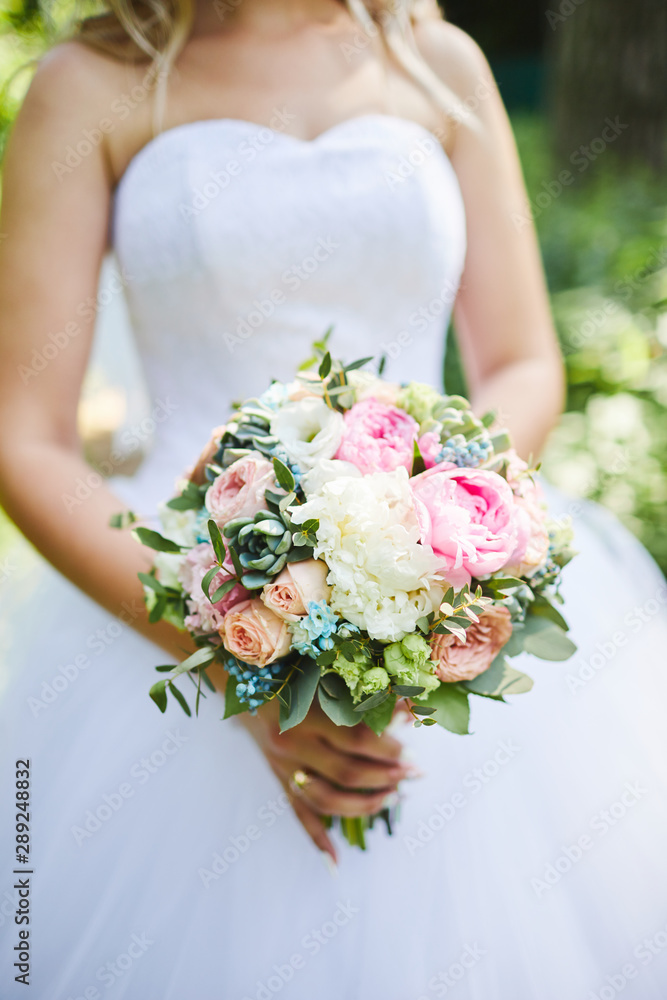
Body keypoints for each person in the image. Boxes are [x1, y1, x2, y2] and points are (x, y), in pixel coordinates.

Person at [1, 1, 666, 996]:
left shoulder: (436, 60)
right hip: (172, 600)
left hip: (438, 595)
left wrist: (443, 539)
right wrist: (237, 650)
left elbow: (524, 360)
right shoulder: (90, 82)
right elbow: (23, 430)